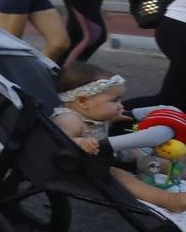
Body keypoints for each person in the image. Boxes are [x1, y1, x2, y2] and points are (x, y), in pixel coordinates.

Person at [53, 62, 185, 212]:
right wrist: (79, 141)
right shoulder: (68, 120)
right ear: (83, 101)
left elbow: (97, 125)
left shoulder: (90, 114)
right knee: (119, 175)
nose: (120, 105)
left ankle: (178, 171)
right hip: (83, 165)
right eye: (114, 100)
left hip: (105, 154)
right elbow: (58, 140)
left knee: (145, 155)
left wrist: (118, 118)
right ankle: (168, 200)